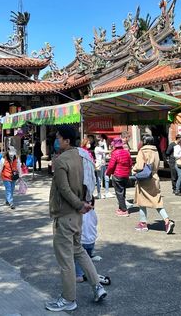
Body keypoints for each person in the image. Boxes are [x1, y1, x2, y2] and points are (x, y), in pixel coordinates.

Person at [46, 125, 107, 312]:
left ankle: (68, 298)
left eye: (58, 138)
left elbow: (64, 190)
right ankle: (97, 285)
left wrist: (80, 205)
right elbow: (88, 180)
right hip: (77, 215)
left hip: (65, 214)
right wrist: (85, 202)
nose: (56, 141)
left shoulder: (61, 160)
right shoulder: (82, 157)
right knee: (78, 251)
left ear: (67, 140)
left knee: (66, 260)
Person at [132, 134, 175, 234]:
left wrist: (133, 170)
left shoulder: (142, 151)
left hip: (144, 179)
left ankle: (143, 223)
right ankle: (167, 220)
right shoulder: (156, 151)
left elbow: (139, 166)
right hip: (154, 177)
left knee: (141, 201)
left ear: (144, 141)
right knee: (157, 200)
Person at [106, 138, 132, 215]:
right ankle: (121, 208)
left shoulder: (115, 153)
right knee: (123, 192)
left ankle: (124, 210)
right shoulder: (126, 152)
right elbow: (130, 163)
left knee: (119, 193)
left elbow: (111, 166)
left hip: (117, 175)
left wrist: (108, 173)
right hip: (125, 175)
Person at [75, 197, 99, 283]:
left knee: (78, 259)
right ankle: (88, 272)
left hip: (82, 241)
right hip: (92, 241)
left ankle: (79, 275)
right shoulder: (93, 213)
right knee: (87, 258)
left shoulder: (79, 214)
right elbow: (95, 223)